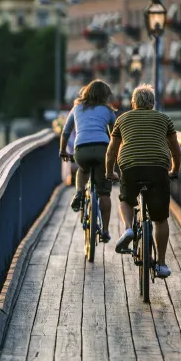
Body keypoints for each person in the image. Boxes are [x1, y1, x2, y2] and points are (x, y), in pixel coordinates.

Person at [105, 83, 181, 278]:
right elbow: (176, 150)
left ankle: (128, 228)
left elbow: (111, 151)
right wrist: (174, 170)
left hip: (130, 168)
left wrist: (109, 172)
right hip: (158, 169)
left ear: (133, 103)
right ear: (153, 103)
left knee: (126, 198)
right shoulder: (164, 119)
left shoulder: (122, 119)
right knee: (160, 219)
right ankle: (162, 264)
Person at [60, 80, 117, 242]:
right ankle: (105, 231)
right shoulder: (108, 111)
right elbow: (115, 135)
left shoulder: (77, 108)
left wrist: (62, 150)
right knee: (104, 193)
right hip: (102, 149)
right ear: (104, 96)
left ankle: (79, 193)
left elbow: (66, 132)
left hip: (82, 149)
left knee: (83, 169)